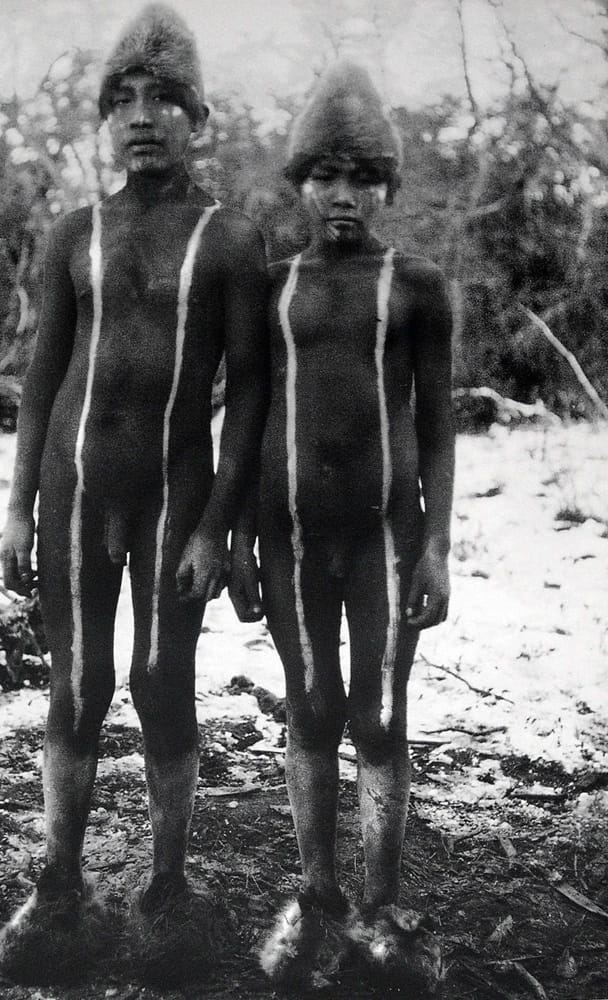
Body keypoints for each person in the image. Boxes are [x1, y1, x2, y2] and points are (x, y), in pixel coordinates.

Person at [0, 3, 267, 983]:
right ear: (105, 121)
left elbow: (254, 393)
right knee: (76, 684)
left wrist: (217, 527)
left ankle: (165, 888)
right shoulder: (76, 233)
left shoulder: (230, 240)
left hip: (171, 497)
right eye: (124, 102)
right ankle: (58, 883)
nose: (143, 117)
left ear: (201, 117)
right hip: (73, 488)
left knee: (159, 682)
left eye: (165, 101)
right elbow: (40, 376)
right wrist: (20, 503)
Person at [229, 61, 454, 993]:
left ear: (389, 186)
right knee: (311, 703)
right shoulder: (272, 287)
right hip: (286, 537)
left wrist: (436, 541)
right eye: (325, 177)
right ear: (301, 184)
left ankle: (381, 904)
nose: (343, 197)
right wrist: (238, 537)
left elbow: (438, 426)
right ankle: (315, 894)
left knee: (383, 713)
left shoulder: (417, 285)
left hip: (383, 539)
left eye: (363, 179)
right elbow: (244, 417)